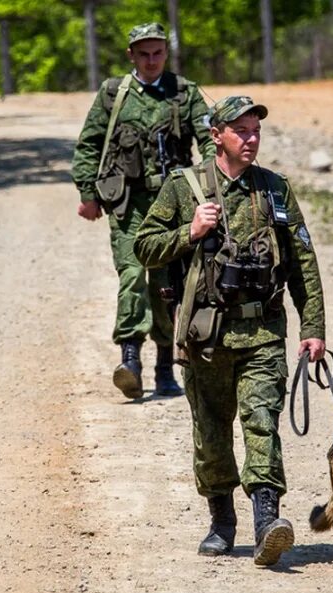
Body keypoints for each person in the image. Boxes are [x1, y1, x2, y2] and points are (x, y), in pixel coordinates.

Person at [134, 96, 326, 566]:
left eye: (256, 130)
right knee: (212, 436)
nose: (252, 138)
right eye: (241, 130)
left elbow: (303, 262)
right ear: (217, 134)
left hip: (262, 332)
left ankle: (267, 523)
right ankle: (222, 521)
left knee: (262, 423)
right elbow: (143, 246)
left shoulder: (275, 190)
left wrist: (313, 326)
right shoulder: (185, 188)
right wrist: (190, 232)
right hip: (206, 338)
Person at [72, 22, 215, 399]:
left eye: (158, 53)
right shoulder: (113, 93)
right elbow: (89, 144)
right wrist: (88, 193)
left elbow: (210, 140)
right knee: (132, 275)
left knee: (168, 286)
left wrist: (217, 186)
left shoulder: (184, 94)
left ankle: (166, 367)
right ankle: (130, 360)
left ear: (166, 53)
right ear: (131, 55)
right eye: (144, 53)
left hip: (174, 205)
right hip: (130, 205)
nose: (152, 60)